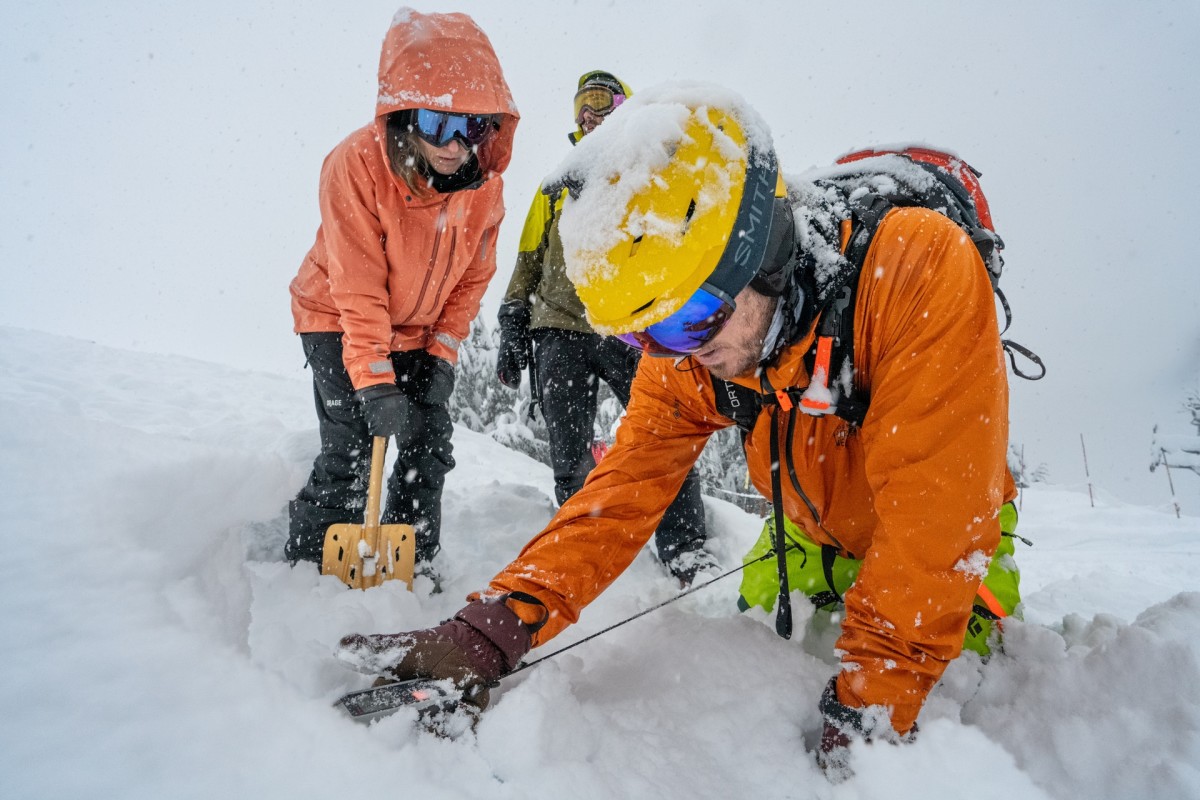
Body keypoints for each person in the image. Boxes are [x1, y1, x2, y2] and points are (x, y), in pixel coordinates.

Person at [336, 87, 1020, 772]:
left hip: (952, 549)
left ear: (759, 253)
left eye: (686, 320)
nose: (678, 353)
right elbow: (622, 490)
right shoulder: (697, 342)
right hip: (806, 528)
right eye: (646, 336)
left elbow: (934, 523)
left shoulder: (915, 270)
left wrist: (869, 709)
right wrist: (502, 622)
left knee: (971, 687)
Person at [285, 9, 518, 582]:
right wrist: (373, 377)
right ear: (406, 116)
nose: (455, 144)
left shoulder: (485, 190)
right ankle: (310, 569)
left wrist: (441, 351)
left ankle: (409, 563)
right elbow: (357, 285)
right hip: (337, 316)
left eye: (473, 126)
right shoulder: (356, 166)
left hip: (416, 329)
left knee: (428, 441)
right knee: (353, 448)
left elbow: (473, 279)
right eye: (439, 124)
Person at [495, 71, 713, 585]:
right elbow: (528, 258)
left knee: (663, 435)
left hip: (627, 329)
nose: (587, 114)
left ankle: (685, 548)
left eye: (598, 102)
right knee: (569, 452)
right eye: (580, 106)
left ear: (624, 109)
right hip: (557, 329)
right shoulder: (557, 184)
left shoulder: (645, 172)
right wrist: (512, 322)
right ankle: (579, 552)